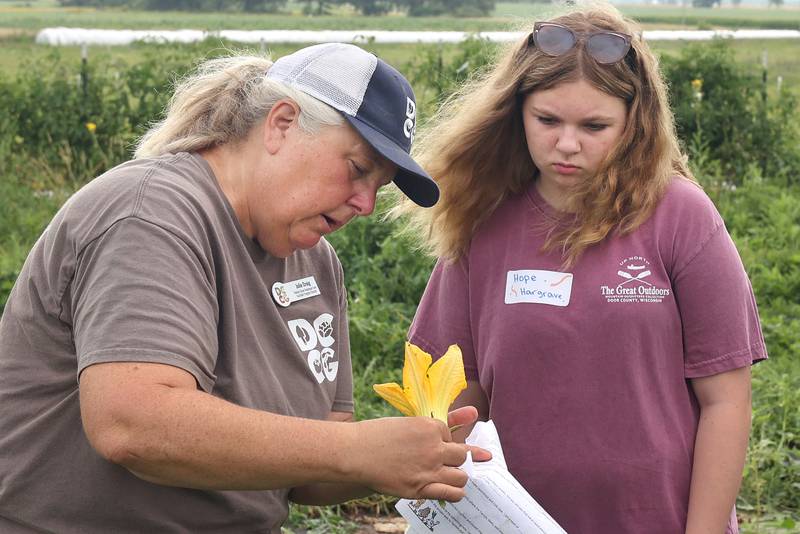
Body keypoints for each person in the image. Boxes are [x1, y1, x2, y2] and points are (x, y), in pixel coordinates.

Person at [0, 43, 486, 533]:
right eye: (357, 169)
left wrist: (408, 456)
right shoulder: (152, 216)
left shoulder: (315, 262)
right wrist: (355, 450)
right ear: (281, 123)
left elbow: (310, 474)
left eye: (377, 187)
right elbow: (133, 423)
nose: (363, 204)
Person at [398, 7, 767, 534]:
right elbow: (456, 392)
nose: (567, 144)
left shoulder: (682, 217)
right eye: (547, 120)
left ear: (635, 123)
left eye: (594, 126)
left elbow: (726, 401)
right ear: (515, 111)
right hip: (514, 523)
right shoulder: (483, 223)